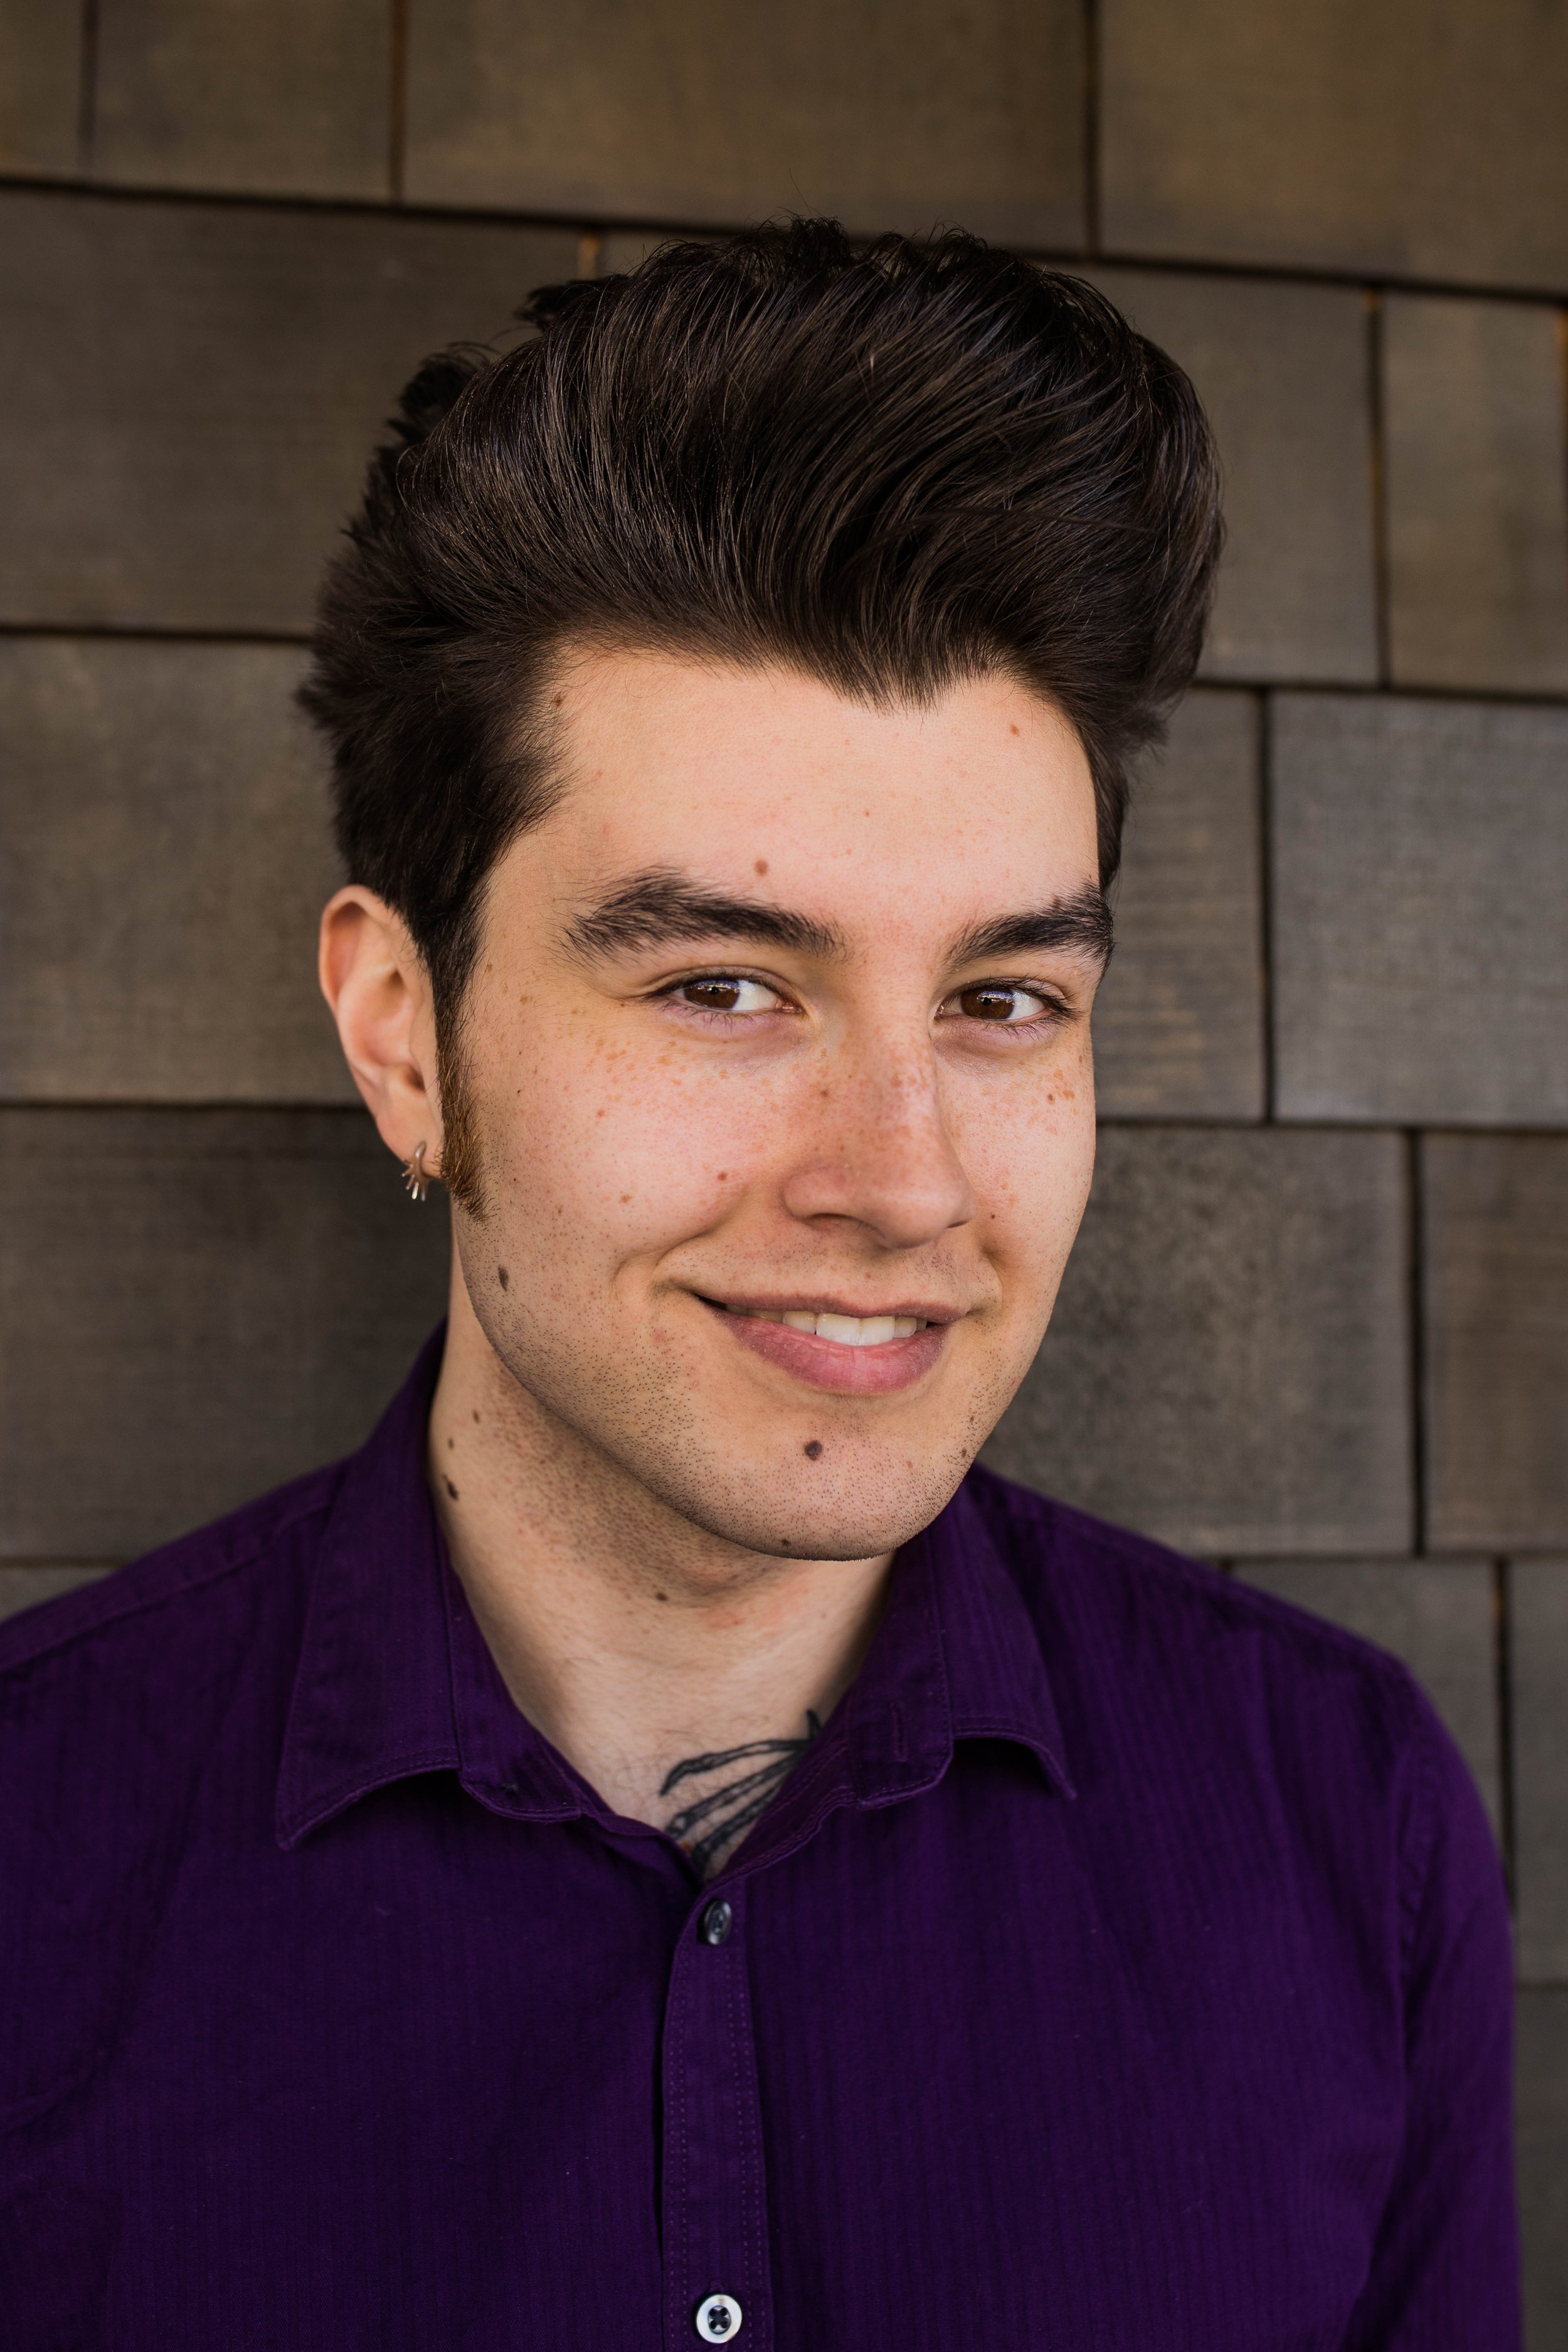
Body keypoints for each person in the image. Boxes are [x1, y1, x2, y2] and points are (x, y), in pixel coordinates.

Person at [0, 223, 1516, 2348]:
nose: (901, 1184)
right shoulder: (29, 1860)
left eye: (1001, 996)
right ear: (403, 1034)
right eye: (722, 985)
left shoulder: (1337, 1826)